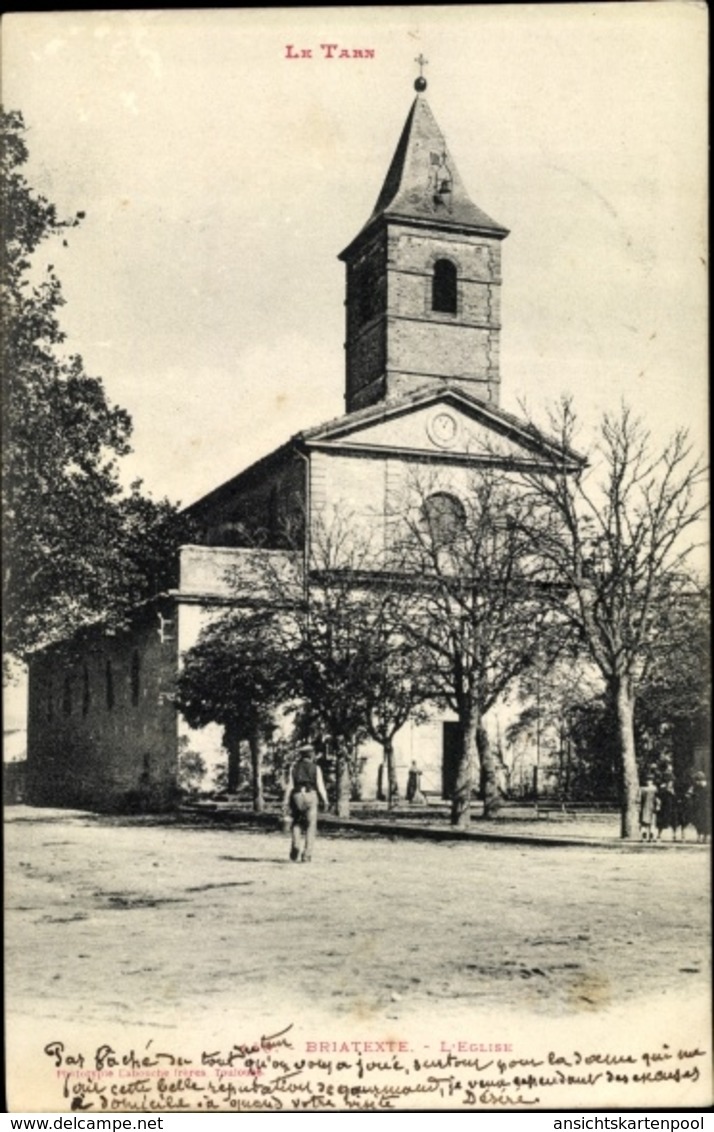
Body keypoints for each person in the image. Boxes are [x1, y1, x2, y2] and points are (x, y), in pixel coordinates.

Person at [283, 743, 329, 863]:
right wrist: (325, 800)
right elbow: (320, 786)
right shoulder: (316, 768)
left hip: (297, 796)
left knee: (296, 822)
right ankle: (307, 854)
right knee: (310, 825)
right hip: (311, 795)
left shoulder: (294, 767)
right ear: (311, 755)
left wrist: (285, 800)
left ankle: (296, 845)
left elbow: (290, 785)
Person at [690, 772, 710, 844]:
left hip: (707, 807)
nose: (696, 783)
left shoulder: (708, 788)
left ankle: (706, 836)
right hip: (699, 807)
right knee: (699, 821)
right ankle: (700, 835)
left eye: (696, 781)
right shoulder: (696, 788)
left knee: (707, 821)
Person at [638, 776, 658, 841]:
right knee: (644, 823)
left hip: (652, 807)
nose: (649, 782)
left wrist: (657, 806)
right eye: (647, 780)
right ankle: (644, 837)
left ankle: (651, 837)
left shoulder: (654, 789)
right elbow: (639, 799)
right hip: (645, 807)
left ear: (652, 781)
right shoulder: (643, 789)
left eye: (650, 780)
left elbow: (657, 799)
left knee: (651, 823)